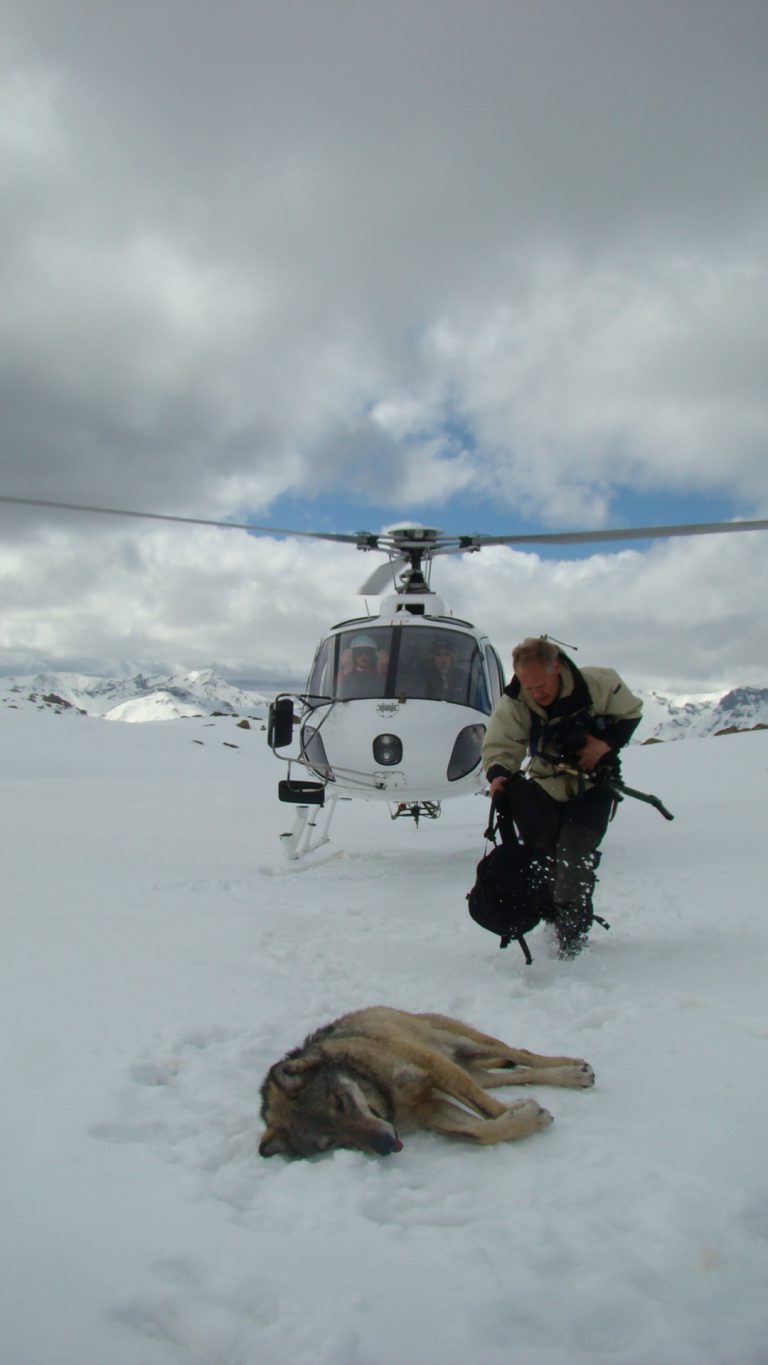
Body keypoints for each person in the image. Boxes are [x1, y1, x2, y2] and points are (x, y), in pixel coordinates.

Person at [481, 637, 643, 958]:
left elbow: (631, 714)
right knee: (545, 861)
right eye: (529, 687)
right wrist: (499, 775)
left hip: (594, 786)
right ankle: (557, 921)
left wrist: (603, 745)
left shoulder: (597, 683)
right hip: (545, 785)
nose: (536, 693)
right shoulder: (516, 700)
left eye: (541, 685)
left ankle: (571, 943)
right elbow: (502, 743)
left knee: (573, 854)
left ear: (557, 667)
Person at [337, 635, 386, 699]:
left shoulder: (381, 673)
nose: (364, 656)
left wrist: (383, 668)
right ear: (353, 655)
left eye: (368, 653)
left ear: (374, 656)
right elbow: (339, 695)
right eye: (360, 652)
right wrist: (347, 669)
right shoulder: (343, 675)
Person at [422, 637, 466, 702]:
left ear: (452, 656)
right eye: (438, 654)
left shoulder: (462, 676)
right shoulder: (426, 677)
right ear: (433, 658)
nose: (442, 658)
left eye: (446, 654)